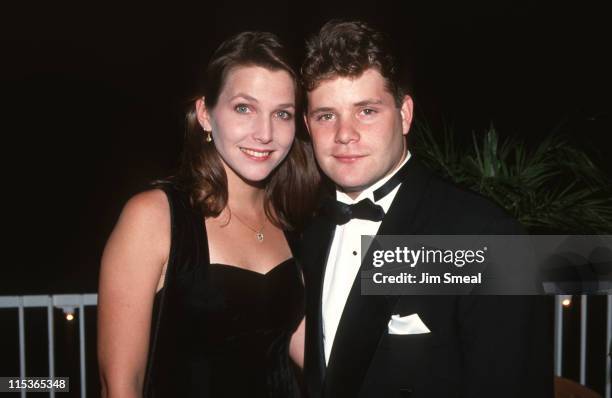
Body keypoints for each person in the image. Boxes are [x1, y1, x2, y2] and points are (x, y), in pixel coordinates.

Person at [299, 20, 553, 397]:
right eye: (326, 116)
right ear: (307, 124)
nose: (344, 134)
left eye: (366, 111)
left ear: (404, 115)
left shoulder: (486, 237)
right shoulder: (305, 229)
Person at [97, 31, 319, 397]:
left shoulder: (290, 220)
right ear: (204, 113)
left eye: (282, 114)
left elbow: (311, 356)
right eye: (244, 108)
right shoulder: (154, 217)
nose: (264, 133)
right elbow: (120, 386)